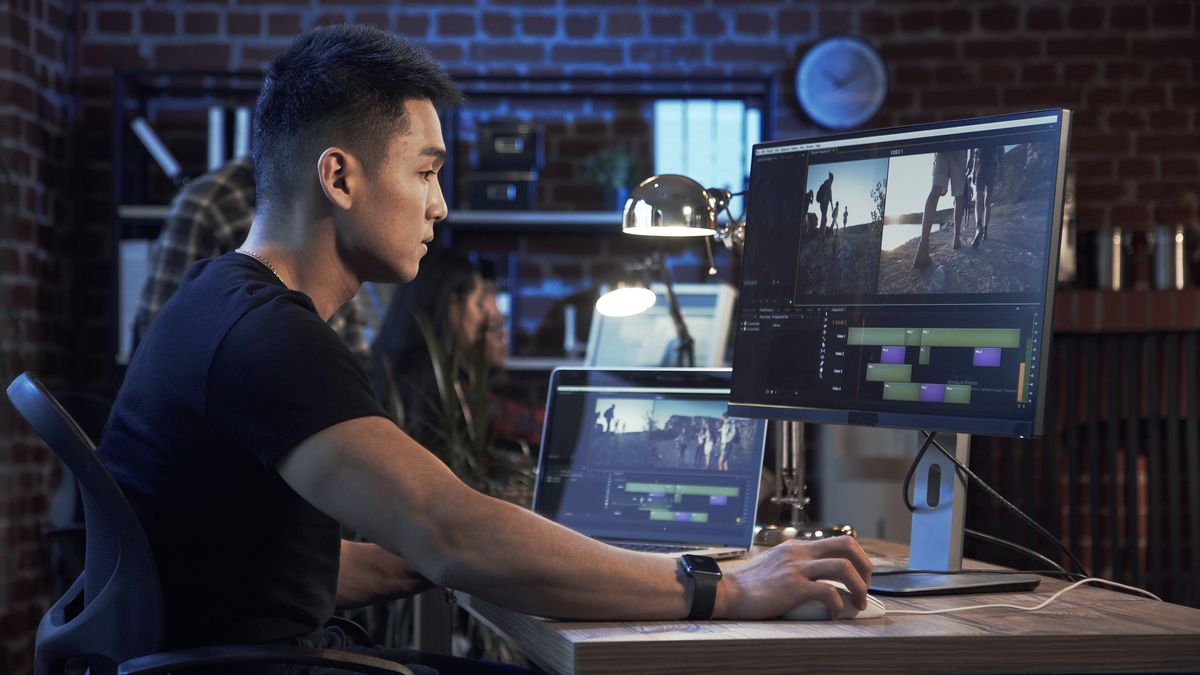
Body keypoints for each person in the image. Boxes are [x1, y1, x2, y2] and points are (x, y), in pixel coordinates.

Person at [97, 25, 871, 673]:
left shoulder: (212, 299)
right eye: (426, 172)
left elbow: (286, 565)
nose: (441, 205)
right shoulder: (271, 339)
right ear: (339, 176)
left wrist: (579, 553)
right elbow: (450, 529)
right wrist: (723, 589)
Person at [133, 155, 372, 366]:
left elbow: (349, 328)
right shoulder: (208, 205)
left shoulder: (330, 197)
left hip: (329, 386)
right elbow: (161, 334)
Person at [912, 150, 968, 269]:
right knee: (959, 195)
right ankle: (956, 239)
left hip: (942, 145)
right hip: (960, 147)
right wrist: (972, 157)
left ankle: (923, 245)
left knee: (935, 190)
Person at [970, 145, 1000, 247]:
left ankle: (979, 227)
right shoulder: (997, 138)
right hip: (992, 168)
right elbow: (1000, 155)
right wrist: (998, 172)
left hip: (981, 167)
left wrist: (974, 172)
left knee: (979, 198)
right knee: (988, 201)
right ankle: (985, 230)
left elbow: (976, 154)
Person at [815, 171, 834, 237]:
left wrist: (831, 205)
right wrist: (828, 202)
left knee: (824, 219)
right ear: (831, 177)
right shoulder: (828, 182)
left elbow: (829, 195)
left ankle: (821, 235)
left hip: (823, 203)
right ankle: (820, 236)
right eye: (832, 178)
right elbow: (828, 194)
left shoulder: (827, 182)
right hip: (824, 203)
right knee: (824, 219)